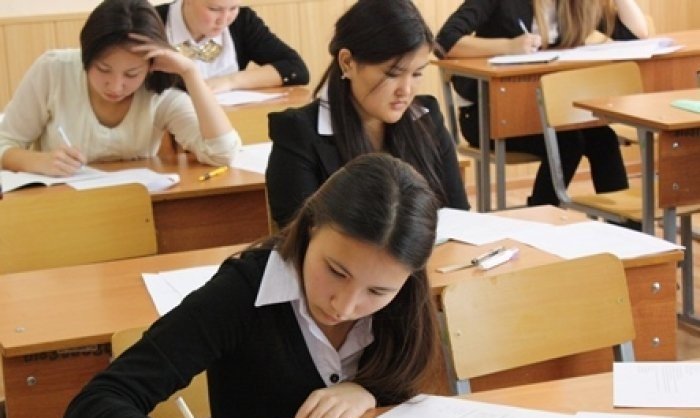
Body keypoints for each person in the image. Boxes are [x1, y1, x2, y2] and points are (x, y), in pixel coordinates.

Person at [62, 152, 441, 418]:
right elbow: (92, 408)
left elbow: (402, 388)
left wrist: (366, 391)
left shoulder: (405, 299)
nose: (345, 305)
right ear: (311, 226)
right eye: (335, 271)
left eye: (377, 291)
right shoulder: (242, 293)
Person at [265, 0, 469, 229]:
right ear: (347, 63)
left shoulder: (426, 117)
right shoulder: (298, 133)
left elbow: (459, 215)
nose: (406, 90)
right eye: (392, 74)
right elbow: (299, 237)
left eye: (417, 74)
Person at [436, 0, 649, 207]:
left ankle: (625, 223)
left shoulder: (578, 4)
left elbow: (635, 36)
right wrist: (508, 46)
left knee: (603, 138)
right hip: (486, 116)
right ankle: (541, 212)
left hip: (545, 113)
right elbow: (445, 41)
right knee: (567, 142)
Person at [0, 0, 239, 177]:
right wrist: (37, 161)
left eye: (131, 74)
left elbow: (222, 153)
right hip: (60, 207)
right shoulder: (54, 71)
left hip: (135, 206)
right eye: (103, 69)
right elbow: (4, 142)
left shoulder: (159, 92)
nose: (115, 86)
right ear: (86, 56)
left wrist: (190, 73)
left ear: (151, 66)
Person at [155, 0, 309, 93]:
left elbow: (295, 69)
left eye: (233, 8)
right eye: (214, 9)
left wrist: (229, 82)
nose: (224, 20)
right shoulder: (151, 23)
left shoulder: (242, 21)